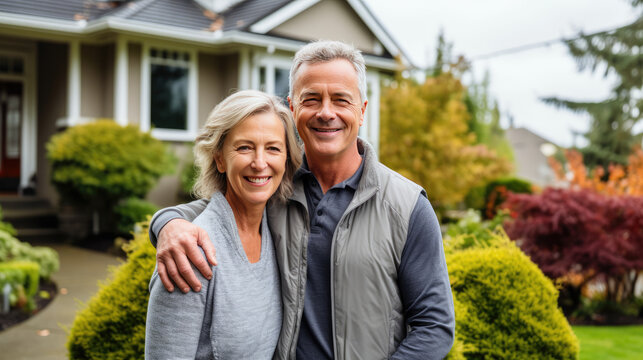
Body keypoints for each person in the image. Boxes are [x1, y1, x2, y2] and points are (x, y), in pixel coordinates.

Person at [150, 40, 455, 359]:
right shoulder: (274, 185)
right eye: (311, 99)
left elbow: (434, 327)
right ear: (293, 108)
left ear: (362, 111)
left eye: (341, 100)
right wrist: (168, 223)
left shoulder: (407, 207)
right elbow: (222, 209)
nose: (326, 113)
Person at [145, 90, 302, 359]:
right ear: (219, 158)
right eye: (244, 147)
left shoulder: (277, 229)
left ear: (286, 159)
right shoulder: (191, 253)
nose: (260, 163)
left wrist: (164, 220)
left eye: (273, 148)